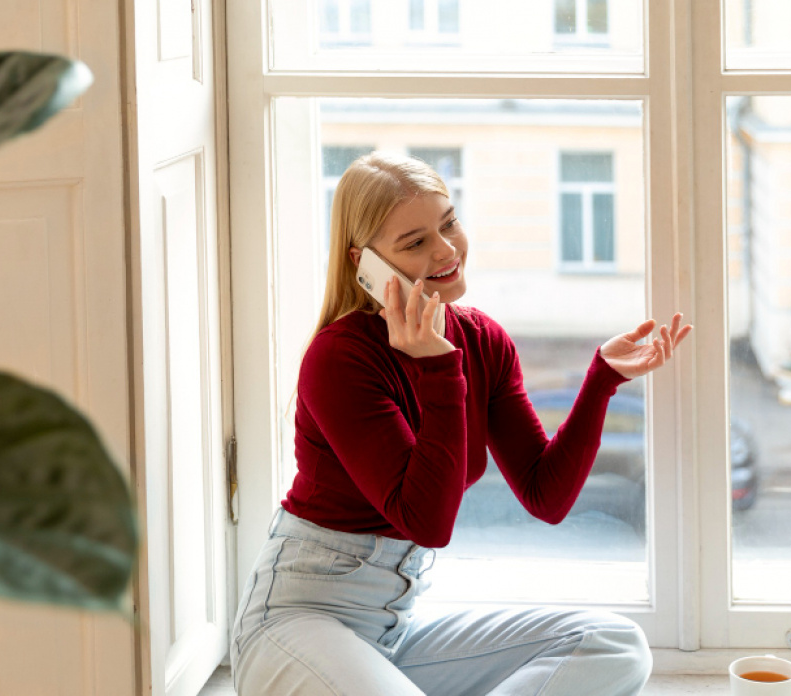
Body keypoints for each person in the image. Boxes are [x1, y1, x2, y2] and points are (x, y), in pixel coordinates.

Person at [232, 151, 691, 695]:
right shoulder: (340, 359)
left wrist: (601, 381)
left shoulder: (482, 340)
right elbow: (427, 522)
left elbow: (546, 496)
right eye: (415, 242)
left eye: (448, 223)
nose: (446, 250)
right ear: (366, 263)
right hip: (295, 624)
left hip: (391, 632)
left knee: (612, 645)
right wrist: (438, 367)